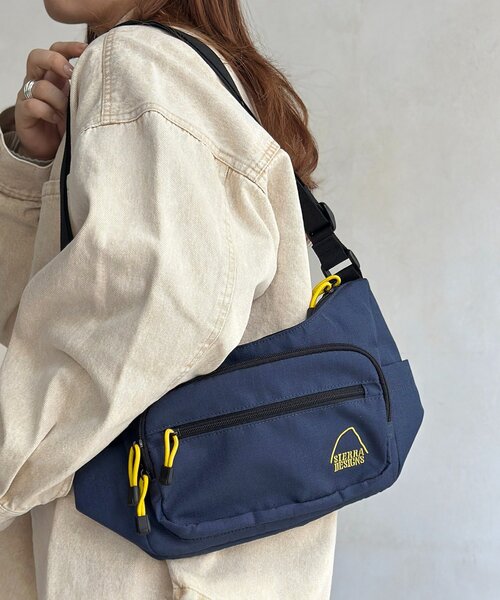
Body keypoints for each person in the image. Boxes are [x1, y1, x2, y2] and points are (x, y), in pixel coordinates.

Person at [0, 1, 339, 598]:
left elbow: (160, 312)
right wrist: (36, 168)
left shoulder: (135, 60)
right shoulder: (194, 68)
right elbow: (46, 315)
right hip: (210, 556)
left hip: (141, 562)